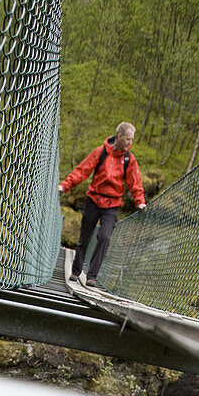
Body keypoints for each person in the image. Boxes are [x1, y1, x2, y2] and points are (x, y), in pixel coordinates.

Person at [59, 121, 147, 287]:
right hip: (94, 200)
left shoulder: (129, 159)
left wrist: (140, 201)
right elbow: (82, 170)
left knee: (105, 237)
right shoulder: (101, 153)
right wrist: (66, 185)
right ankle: (76, 272)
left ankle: (92, 276)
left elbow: (135, 181)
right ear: (119, 136)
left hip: (112, 205)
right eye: (128, 139)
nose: (130, 143)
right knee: (85, 237)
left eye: (132, 140)